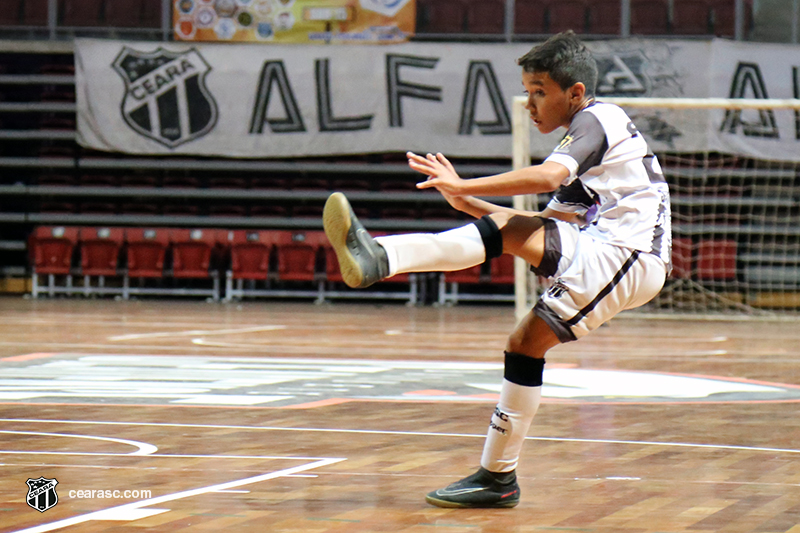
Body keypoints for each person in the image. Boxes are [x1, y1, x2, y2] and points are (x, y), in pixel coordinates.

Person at [322, 31, 671, 508]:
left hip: (630, 255)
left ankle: (381, 258)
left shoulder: (599, 118)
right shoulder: (593, 154)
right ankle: (497, 479)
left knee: (520, 314)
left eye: (539, 92)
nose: (530, 104)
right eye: (527, 91)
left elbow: (548, 176)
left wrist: (466, 180)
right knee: (523, 341)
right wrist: (468, 202)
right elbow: (533, 227)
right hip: (604, 250)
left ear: (575, 93)